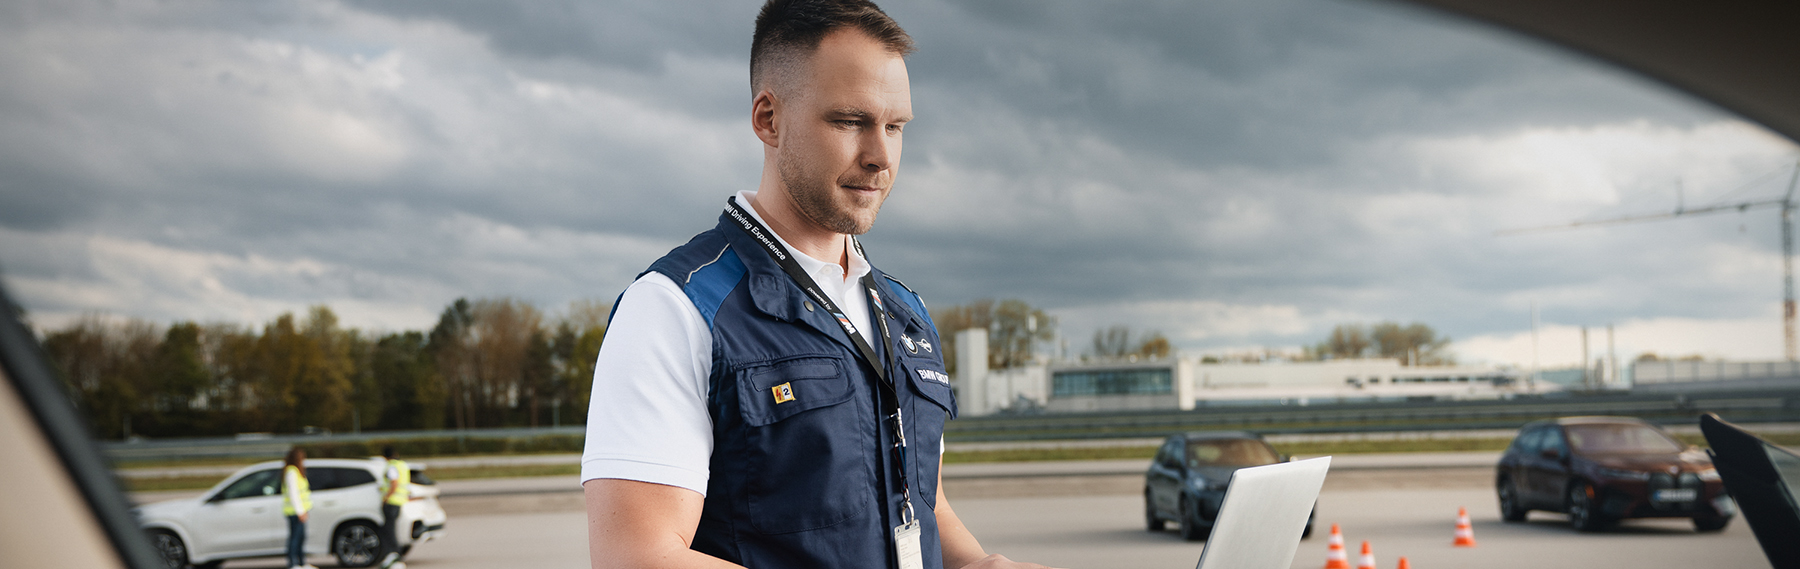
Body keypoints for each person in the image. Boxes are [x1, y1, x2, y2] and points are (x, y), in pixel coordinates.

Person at [580, 1, 1059, 568]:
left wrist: (978, 564)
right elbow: (636, 556)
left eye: (895, 127)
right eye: (850, 121)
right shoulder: (674, 309)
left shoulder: (905, 312)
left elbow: (920, 503)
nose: (880, 157)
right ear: (768, 119)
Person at [376, 445, 410, 569]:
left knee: (389, 530)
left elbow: (394, 483)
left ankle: (394, 554)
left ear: (385, 457)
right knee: (391, 529)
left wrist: (386, 497)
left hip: (391, 502)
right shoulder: (402, 465)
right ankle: (395, 555)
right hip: (399, 501)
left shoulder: (391, 467)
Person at [282, 447, 316, 569]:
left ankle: (302, 563)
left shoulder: (296, 471)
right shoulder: (292, 472)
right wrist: (300, 511)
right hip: (295, 512)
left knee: (301, 538)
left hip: (300, 511)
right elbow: (293, 494)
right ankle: (294, 563)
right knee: (295, 539)